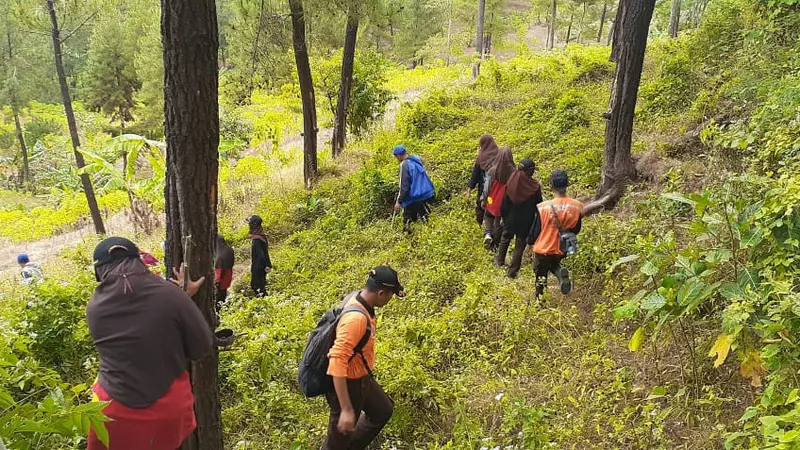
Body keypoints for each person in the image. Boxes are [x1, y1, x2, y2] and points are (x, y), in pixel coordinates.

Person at [86, 237, 213, 450]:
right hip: (168, 408)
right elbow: (201, 347)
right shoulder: (171, 295)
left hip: (112, 409)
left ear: (100, 272)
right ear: (140, 261)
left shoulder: (95, 307)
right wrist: (183, 299)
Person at [323, 265, 405, 450]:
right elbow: (336, 360)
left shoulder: (359, 296)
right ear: (381, 293)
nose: (391, 299)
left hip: (362, 377)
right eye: (391, 295)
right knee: (338, 440)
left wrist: (399, 290)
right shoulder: (356, 320)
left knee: (382, 410)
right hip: (348, 383)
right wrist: (345, 408)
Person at [528, 170, 584, 298]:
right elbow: (576, 229)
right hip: (562, 248)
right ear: (567, 184)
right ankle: (559, 273)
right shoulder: (577, 206)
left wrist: (530, 242)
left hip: (544, 248)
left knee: (540, 274)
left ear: (551, 185)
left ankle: (540, 299)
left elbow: (535, 231)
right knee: (553, 263)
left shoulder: (543, 207)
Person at [496, 158, 544, 278]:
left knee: (505, 238)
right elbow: (539, 204)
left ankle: (499, 261)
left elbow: (504, 202)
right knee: (519, 245)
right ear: (529, 171)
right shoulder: (534, 187)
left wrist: (503, 216)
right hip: (525, 221)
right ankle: (512, 272)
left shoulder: (511, 181)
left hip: (510, 219)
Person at [475, 135, 515, 249]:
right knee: (498, 224)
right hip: (504, 203)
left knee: (488, 215)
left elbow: (487, 186)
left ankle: (488, 233)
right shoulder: (514, 173)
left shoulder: (493, 170)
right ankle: (494, 244)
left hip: (491, 199)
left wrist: (483, 198)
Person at [392, 145, 435, 233]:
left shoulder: (404, 165)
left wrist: (399, 201)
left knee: (407, 222)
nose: (396, 159)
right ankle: (429, 233)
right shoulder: (416, 159)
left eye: (396, 157)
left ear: (399, 155)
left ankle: (408, 239)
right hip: (421, 194)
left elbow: (404, 186)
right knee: (423, 217)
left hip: (412, 197)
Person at [248, 215, 272, 296]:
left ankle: (264, 302)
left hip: (259, 267)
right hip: (262, 266)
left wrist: (265, 266)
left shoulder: (258, 240)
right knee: (260, 286)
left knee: (256, 286)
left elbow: (261, 255)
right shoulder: (261, 236)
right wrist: (268, 264)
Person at [215, 233, 235, 309]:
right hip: (228, 276)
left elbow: (218, 271)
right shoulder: (230, 249)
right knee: (223, 295)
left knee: (218, 300)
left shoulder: (219, 255)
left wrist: (216, 282)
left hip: (221, 280)